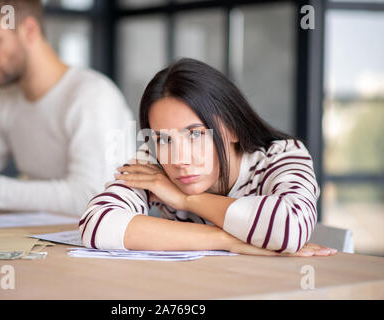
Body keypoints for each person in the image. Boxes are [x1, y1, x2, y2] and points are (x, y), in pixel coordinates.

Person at [79, 58, 337, 256]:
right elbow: (98, 224)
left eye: (195, 134)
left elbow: (289, 228)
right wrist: (228, 241)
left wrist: (188, 200)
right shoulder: (154, 159)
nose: (179, 159)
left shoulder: (282, 155)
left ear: (233, 128)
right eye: (164, 138)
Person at [0, 0, 133, 216]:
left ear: (28, 30)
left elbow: (93, 195)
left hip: (92, 243)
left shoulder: (93, 96)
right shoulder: (4, 102)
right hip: (37, 236)